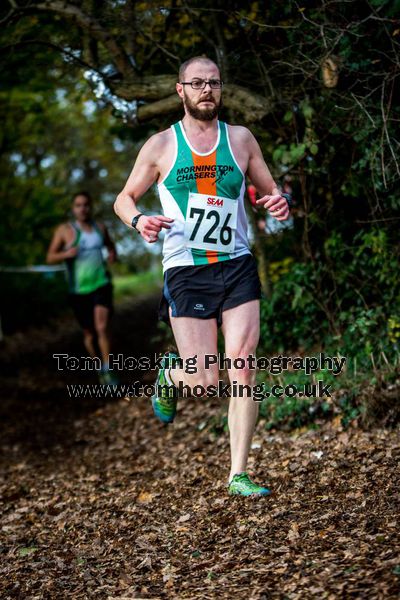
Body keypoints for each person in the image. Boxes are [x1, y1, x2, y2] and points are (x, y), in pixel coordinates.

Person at [114, 56, 291, 496]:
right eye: (197, 83)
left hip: (236, 263)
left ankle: (239, 474)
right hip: (186, 269)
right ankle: (171, 376)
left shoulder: (242, 140)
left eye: (213, 83)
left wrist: (278, 203)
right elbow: (124, 199)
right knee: (205, 378)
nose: (206, 90)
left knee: (244, 366)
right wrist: (139, 221)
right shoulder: (160, 146)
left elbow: (270, 191)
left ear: (221, 88)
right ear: (181, 91)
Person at [47, 191, 118, 384]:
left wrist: (112, 254)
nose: (82, 208)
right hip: (78, 290)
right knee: (89, 334)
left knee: (102, 327)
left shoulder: (100, 228)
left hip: (101, 283)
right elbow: (50, 257)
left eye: (86, 204)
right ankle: (99, 368)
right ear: (73, 208)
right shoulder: (65, 230)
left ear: (90, 207)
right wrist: (66, 254)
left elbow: (111, 247)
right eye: (78, 205)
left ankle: (108, 369)